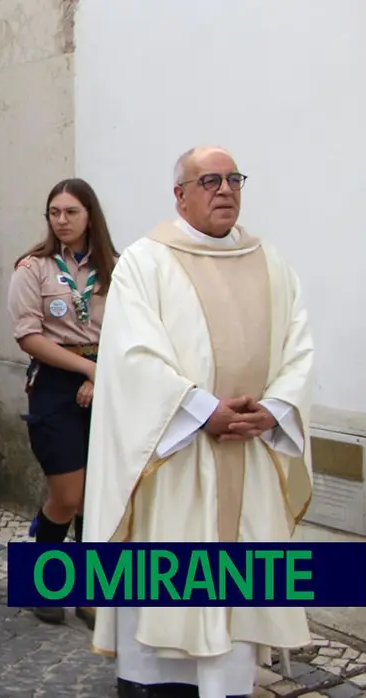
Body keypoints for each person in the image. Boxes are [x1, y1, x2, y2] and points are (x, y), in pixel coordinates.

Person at [84, 146, 314, 698]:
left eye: (234, 178)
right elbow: (132, 357)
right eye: (209, 180)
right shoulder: (145, 261)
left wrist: (274, 408)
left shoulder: (270, 261)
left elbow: (298, 349)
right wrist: (202, 410)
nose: (225, 189)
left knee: (236, 601)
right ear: (180, 195)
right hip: (175, 460)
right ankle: (151, 685)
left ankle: (228, 688)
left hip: (249, 453)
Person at [7, 178, 118, 629]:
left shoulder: (118, 267)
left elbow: (134, 329)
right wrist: (86, 371)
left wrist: (103, 372)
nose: (62, 220)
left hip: (109, 379)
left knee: (97, 496)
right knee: (68, 495)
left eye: (71, 211)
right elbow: (28, 336)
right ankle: (44, 581)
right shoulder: (33, 268)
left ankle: (90, 594)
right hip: (55, 383)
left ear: (90, 214)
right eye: (55, 212)